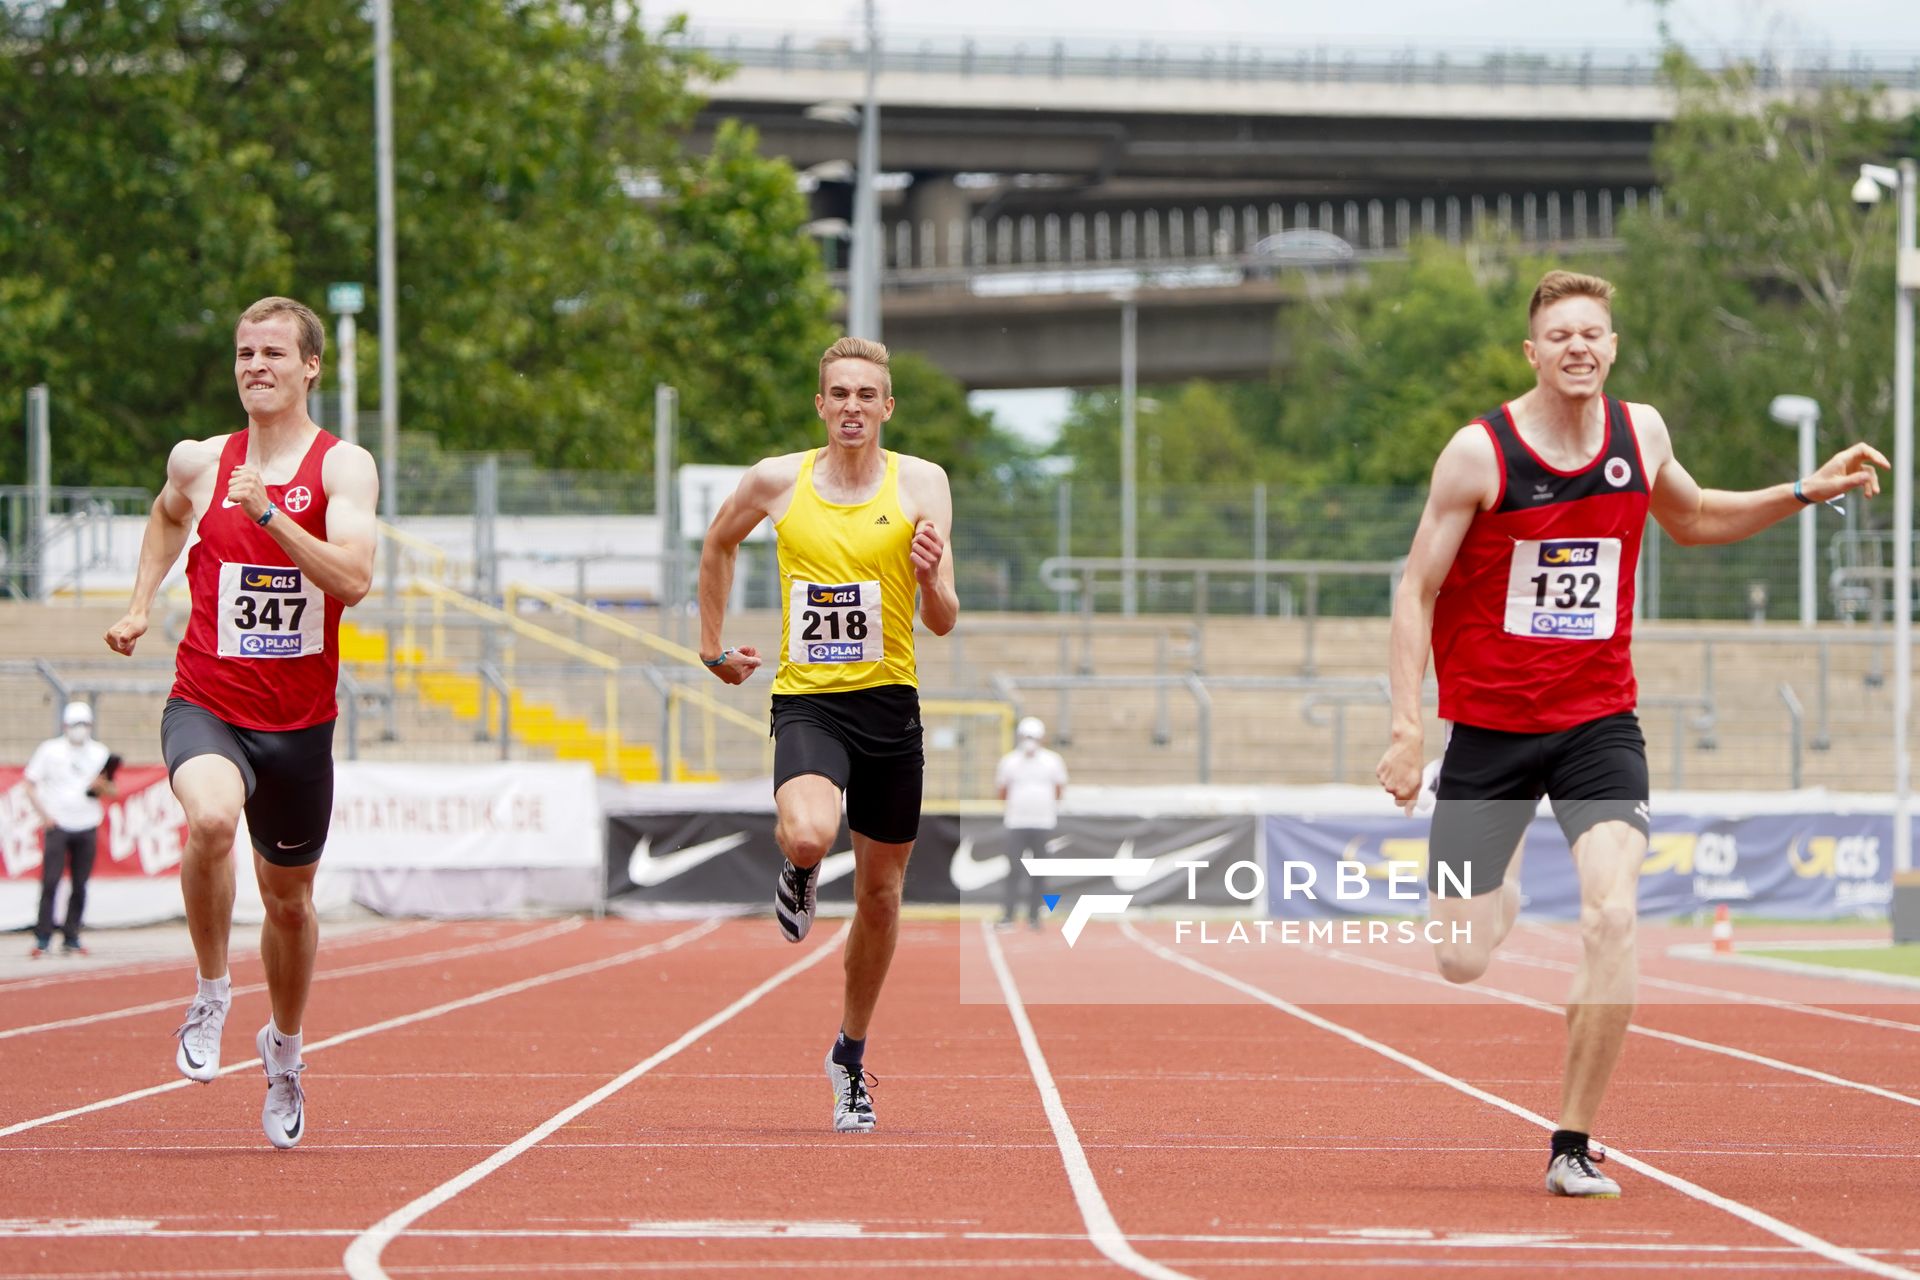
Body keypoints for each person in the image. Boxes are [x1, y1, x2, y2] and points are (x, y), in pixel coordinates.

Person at [1374, 269, 1885, 1199]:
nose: (1579, 346)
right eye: (1560, 334)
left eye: (1594, 333)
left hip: (1597, 723)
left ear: (1611, 347)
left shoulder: (1639, 432)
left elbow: (1690, 519)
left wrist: (1801, 492)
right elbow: (1413, 589)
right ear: (1533, 352)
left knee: (1613, 914)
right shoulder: (1479, 455)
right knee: (1461, 955)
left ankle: (1571, 1141)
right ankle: (1505, 882)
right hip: (1486, 732)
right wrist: (1409, 727)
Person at [105, 296, 378, 1150]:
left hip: (299, 724)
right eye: (243, 352)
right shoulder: (199, 460)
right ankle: (212, 989)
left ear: (310, 368)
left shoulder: (343, 470)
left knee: (290, 905)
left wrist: (268, 514)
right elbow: (165, 517)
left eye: (272, 353)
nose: (254, 365)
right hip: (208, 700)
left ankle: (285, 1052)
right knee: (212, 820)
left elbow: (353, 580)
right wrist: (141, 602)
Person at [698, 336, 958, 1133]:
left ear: (887, 406)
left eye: (865, 395)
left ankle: (849, 1055)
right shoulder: (779, 480)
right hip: (809, 701)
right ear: (821, 405)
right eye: (837, 394)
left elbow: (944, 620)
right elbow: (718, 544)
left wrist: (926, 575)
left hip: (890, 706)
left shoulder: (923, 483)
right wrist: (711, 647)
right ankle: (800, 867)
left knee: (880, 897)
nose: (851, 407)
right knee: (810, 833)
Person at [24, 702, 117, 958]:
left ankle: (72, 934)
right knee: (50, 881)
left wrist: (100, 786)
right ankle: (43, 936)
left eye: (84, 724)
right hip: (58, 824)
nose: (79, 729)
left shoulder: (99, 752)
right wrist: (44, 816)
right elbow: (30, 783)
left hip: (87, 823)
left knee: (80, 883)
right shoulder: (50, 750)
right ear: (65, 725)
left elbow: (111, 790)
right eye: (75, 724)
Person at [995, 716, 1067, 930]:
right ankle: (1008, 914)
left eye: (1034, 737)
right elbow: (1002, 790)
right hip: (1016, 823)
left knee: (1039, 872)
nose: (1030, 741)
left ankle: (1035, 916)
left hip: (1043, 823)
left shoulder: (1053, 760)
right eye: (1027, 736)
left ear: (1042, 738)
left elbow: (1059, 789)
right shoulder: (1009, 761)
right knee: (1014, 870)